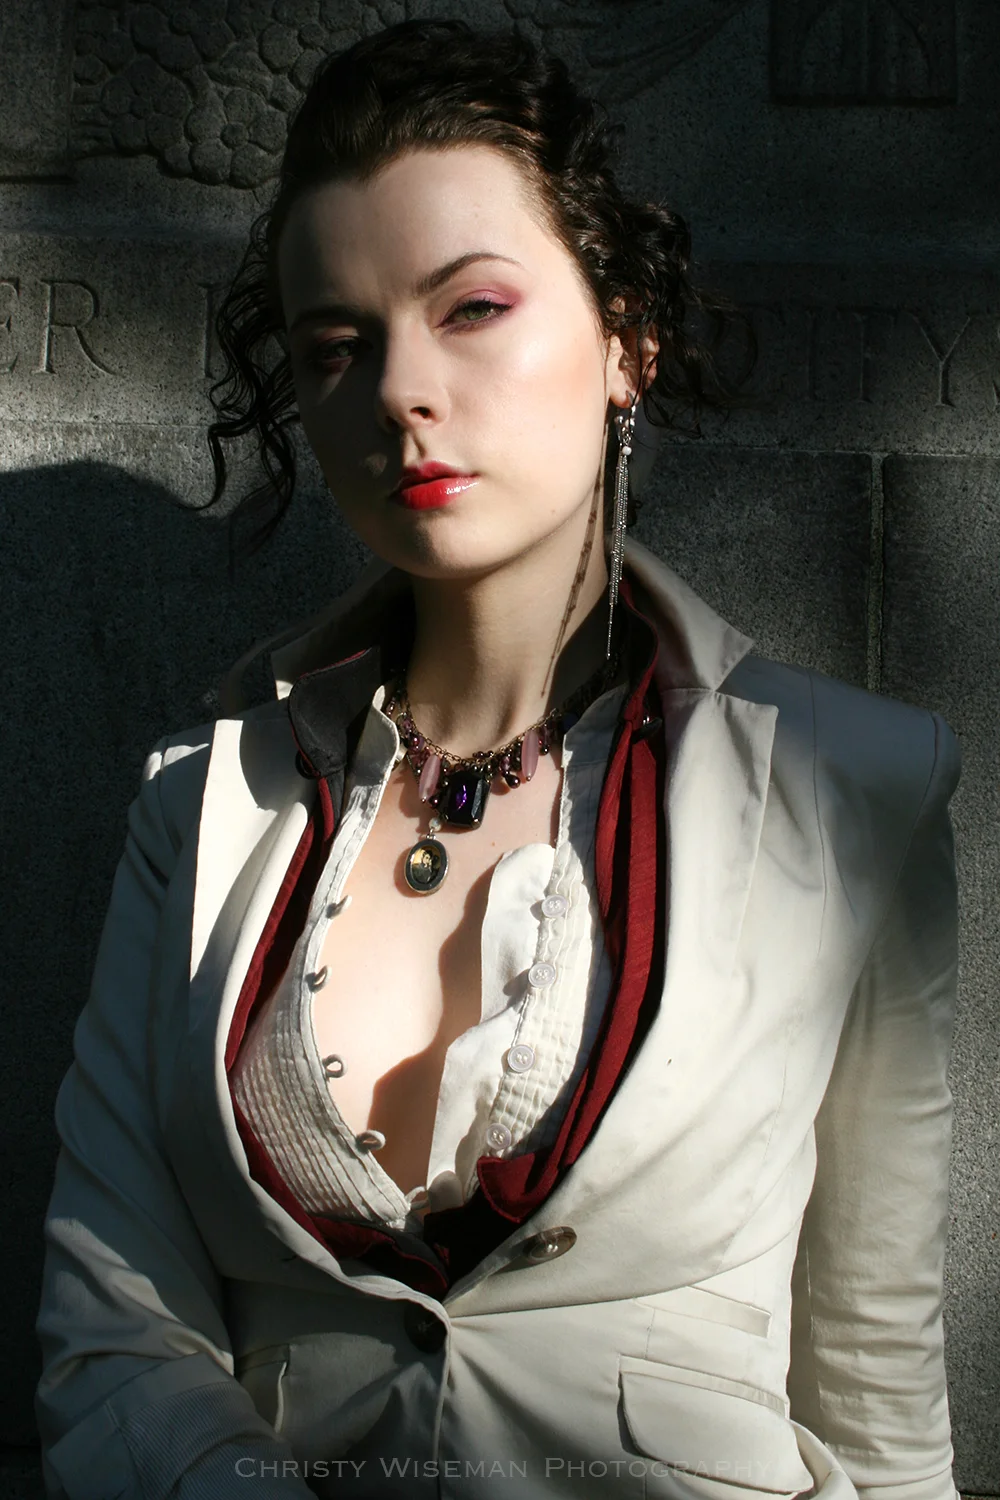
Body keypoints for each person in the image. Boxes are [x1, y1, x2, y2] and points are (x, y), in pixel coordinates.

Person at [34, 18, 962, 1500]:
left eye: (471, 307)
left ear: (624, 342)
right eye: (336, 346)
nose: (401, 390)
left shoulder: (854, 790)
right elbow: (112, 1330)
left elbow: (874, 1373)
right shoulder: (202, 803)